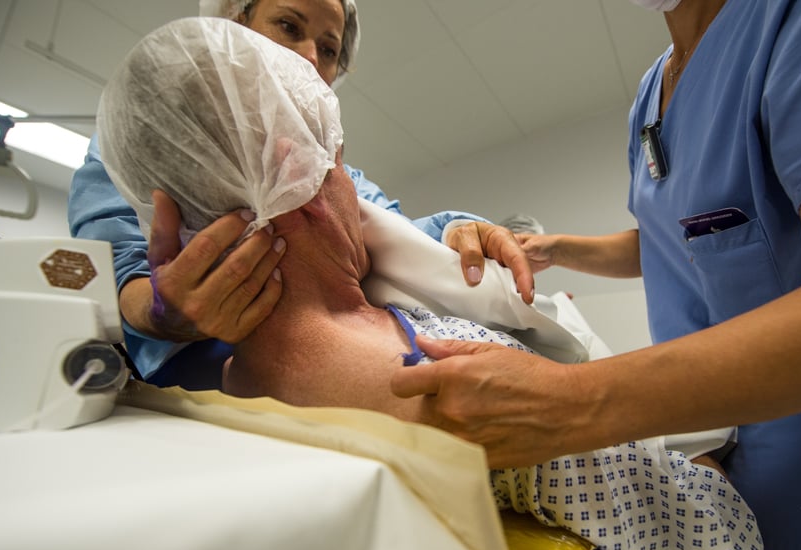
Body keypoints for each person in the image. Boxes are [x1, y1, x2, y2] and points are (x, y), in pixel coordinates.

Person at [96, 16, 763, 550]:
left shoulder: (237, 382)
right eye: (340, 163)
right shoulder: (451, 379)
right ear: (291, 163)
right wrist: (699, 458)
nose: (356, 191)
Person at [390, 0, 801, 550]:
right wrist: (560, 247)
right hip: (722, 446)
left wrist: (575, 402)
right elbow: (688, 234)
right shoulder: (653, 96)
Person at [68, 0, 531, 391]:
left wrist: (458, 230)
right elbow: (114, 270)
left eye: (329, 49)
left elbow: (392, 233)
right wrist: (163, 313)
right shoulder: (148, 143)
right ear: (234, 22)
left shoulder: (339, 171)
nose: (310, 58)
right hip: (199, 391)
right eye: (289, 25)